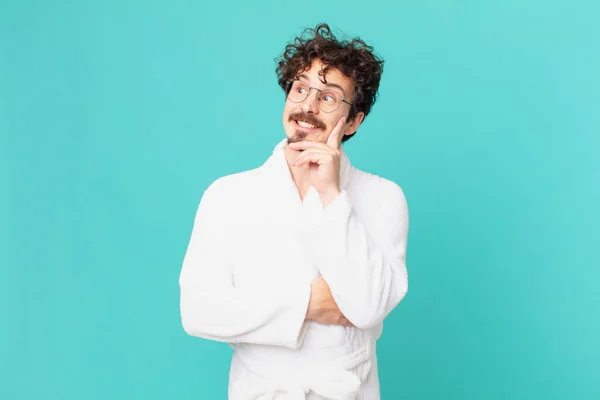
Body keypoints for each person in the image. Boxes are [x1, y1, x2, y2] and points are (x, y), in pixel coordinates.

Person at [179, 23, 409, 400]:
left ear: (354, 120)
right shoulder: (227, 195)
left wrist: (332, 195)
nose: (308, 107)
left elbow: (367, 308)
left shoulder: (383, 198)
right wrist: (308, 303)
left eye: (329, 97)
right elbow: (199, 310)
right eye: (300, 89)